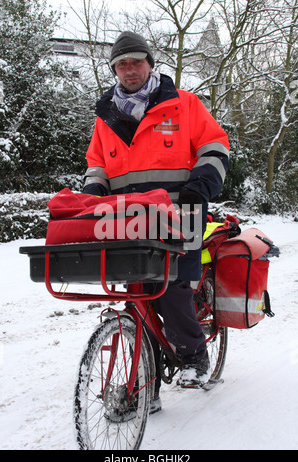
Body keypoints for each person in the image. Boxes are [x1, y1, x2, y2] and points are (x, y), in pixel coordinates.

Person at [83, 31, 229, 413]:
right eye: (121, 64)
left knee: (172, 287)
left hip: (181, 215)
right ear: (114, 69)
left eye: (136, 61)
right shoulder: (106, 116)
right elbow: (97, 165)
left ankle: (195, 354)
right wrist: (92, 194)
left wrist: (201, 187)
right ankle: (145, 382)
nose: (129, 70)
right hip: (127, 222)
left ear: (150, 63)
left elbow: (215, 146)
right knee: (135, 293)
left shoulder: (183, 104)